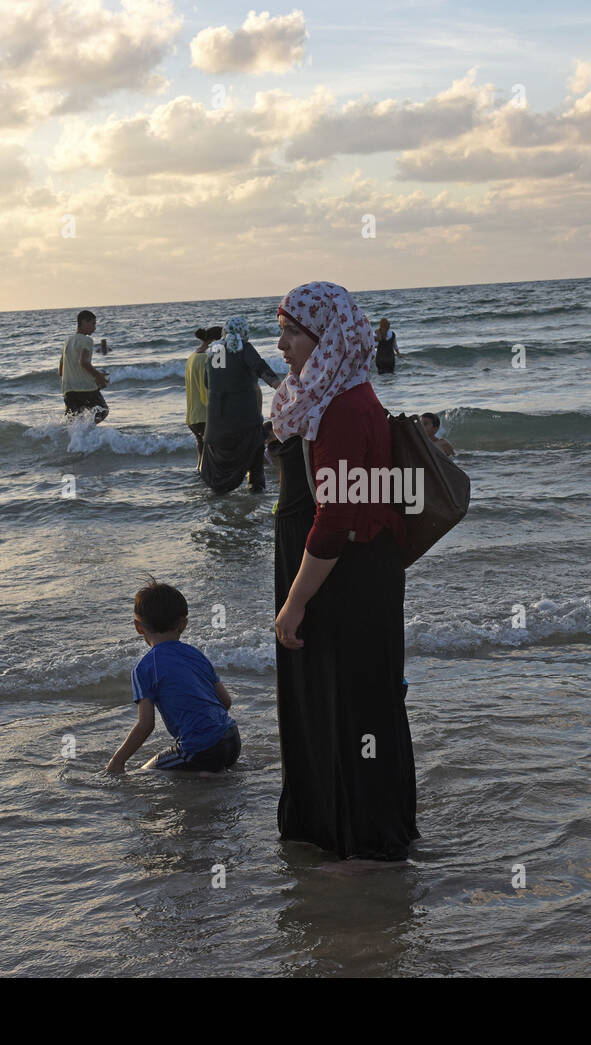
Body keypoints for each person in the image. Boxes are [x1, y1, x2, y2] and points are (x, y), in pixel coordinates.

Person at [270, 281, 418, 862]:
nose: (280, 343)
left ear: (325, 336)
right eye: (280, 329)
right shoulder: (322, 395)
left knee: (352, 703)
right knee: (330, 699)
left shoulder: (345, 407)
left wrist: (295, 602)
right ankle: (328, 827)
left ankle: (363, 843)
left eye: (291, 332)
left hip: (343, 581)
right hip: (328, 574)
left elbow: (337, 519)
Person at [106, 579, 241, 774]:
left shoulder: (144, 667)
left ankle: (206, 777)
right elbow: (225, 702)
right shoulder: (196, 654)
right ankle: (210, 776)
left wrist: (117, 761)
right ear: (183, 624)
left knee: (146, 773)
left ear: (138, 626)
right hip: (231, 739)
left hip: (201, 749)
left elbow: (146, 725)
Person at [199, 315, 281, 494]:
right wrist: (283, 389)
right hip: (245, 421)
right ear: (244, 332)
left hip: (217, 424)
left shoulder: (214, 351)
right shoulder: (243, 347)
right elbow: (261, 368)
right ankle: (254, 492)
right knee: (255, 456)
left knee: (220, 465)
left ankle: (219, 502)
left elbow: (207, 383)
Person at [60, 310, 110, 423]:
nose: (95, 328)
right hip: (85, 389)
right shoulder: (86, 340)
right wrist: (99, 377)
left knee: (73, 422)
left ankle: (78, 438)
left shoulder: (67, 342)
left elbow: (60, 371)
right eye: (93, 324)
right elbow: (83, 362)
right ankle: (87, 432)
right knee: (103, 411)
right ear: (84, 322)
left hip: (68, 391)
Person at [185, 326, 219, 466]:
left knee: (202, 453)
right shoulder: (209, 358)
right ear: (215, 341)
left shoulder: (192, 357)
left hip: (193, 415)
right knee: (212, 454)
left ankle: (201, 479)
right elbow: (214, 384)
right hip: (205, 414)